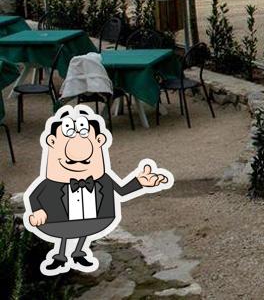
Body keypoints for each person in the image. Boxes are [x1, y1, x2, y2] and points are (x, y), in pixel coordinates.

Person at [24, 106, 171, 274]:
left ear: (99, 141)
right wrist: (38, 211)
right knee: (65, 233)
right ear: (52, 143)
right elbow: (34, 196)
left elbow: (121, 191)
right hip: (58, 221)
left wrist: (140, 182)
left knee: (82, 230)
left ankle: (79, 253)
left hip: (95, 218)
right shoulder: (51, 183)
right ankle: (60, 257)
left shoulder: (102, 179)